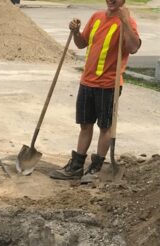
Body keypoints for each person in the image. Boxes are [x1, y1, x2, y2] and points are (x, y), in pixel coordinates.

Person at [50, 0, 141, 182]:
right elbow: (81, 44)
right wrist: (75, 32)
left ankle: (96, 167)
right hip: (87, 82)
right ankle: (76, 166)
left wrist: (124, 21)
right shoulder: (96, 17)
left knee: (105, 127)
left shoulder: (128, 22)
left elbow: (133, 47)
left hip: (108, 85)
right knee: (85, 125)